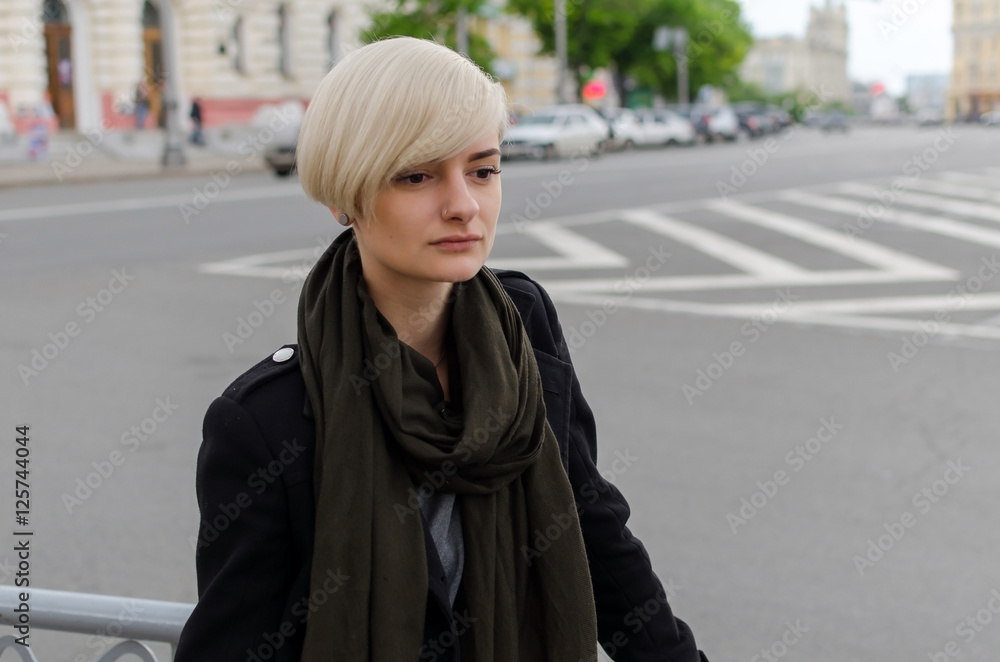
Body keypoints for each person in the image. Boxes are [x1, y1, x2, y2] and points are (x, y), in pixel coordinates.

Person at [175, 36, 708, 662]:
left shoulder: (524, 327)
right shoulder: (267, 420)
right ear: (347, 195)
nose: (463, 206)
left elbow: (590, 525)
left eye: (483, 170)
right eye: (417, 175)